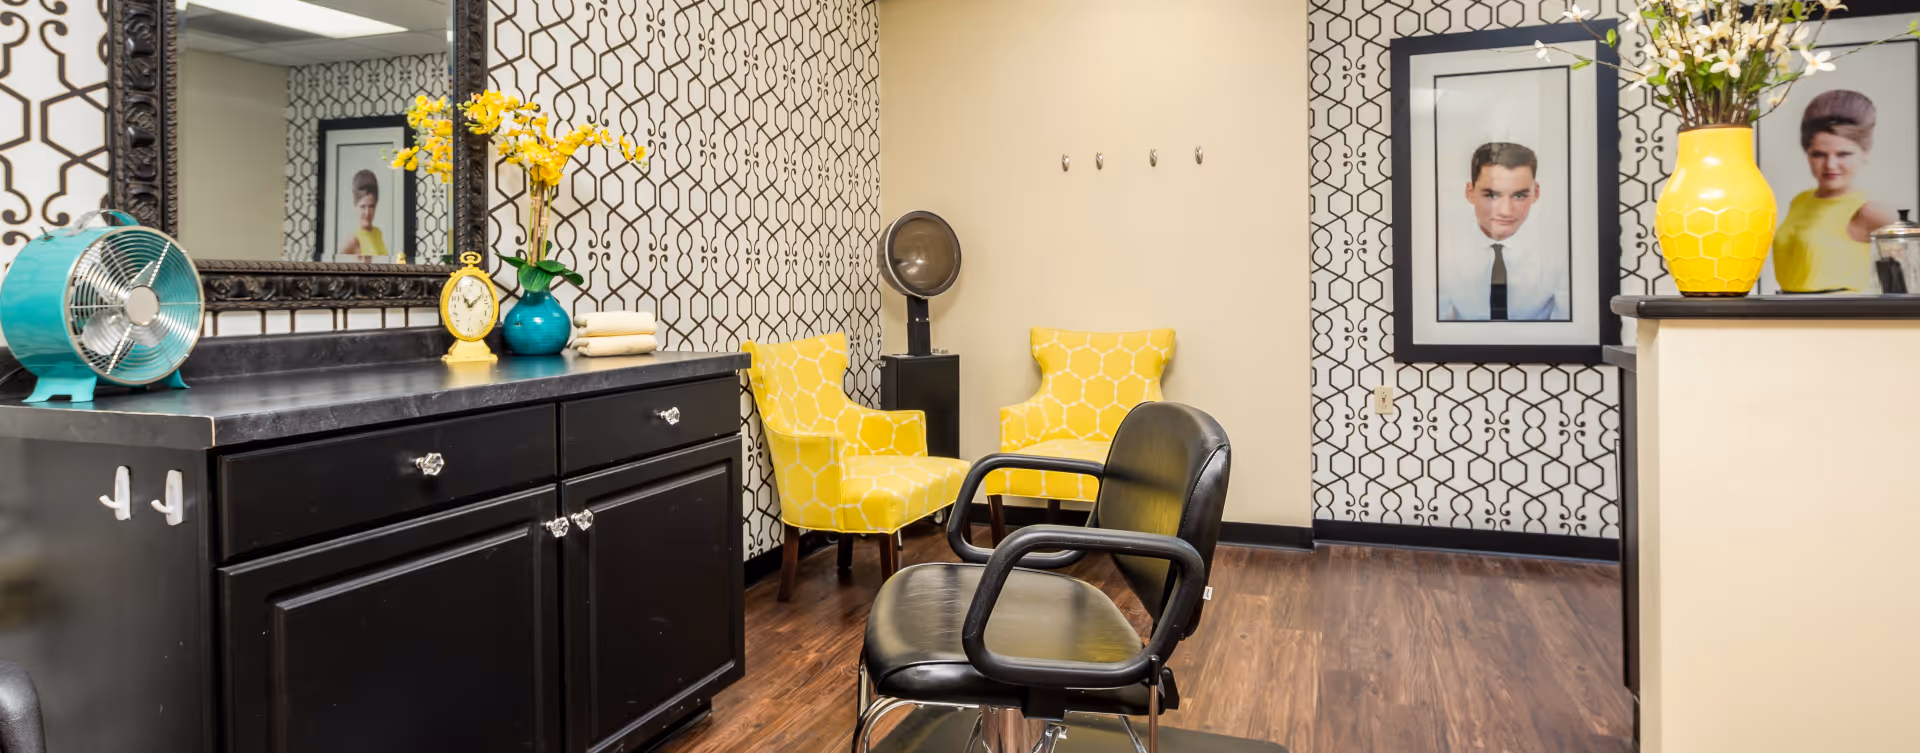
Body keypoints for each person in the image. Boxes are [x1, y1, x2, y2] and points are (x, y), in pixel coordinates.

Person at [1771, 89, 1896, 293]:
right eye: (1819, 154)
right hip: (1786, 314)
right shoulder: (1801, 200)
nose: (1830, 165)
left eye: (1843, 154)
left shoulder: (1871, 209)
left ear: (1865, 153)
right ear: (1807, 153)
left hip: (1841, 319)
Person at [1438, 142, 1569, 321]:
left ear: (1535, 192)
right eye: (1491, 195)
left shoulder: (1561, 253)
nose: (1505, 211)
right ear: (1470, 192)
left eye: (1519, 195)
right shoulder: (1442, 252)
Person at [336, 169, 390, 263]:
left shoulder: (377, 233)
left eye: (371, 206)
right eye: (362, 207)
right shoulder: (353, 240)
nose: (367, 213)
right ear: (355, 206)